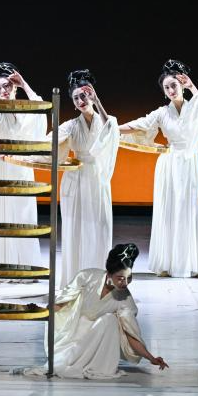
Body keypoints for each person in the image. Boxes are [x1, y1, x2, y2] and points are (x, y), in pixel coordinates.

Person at [119, 59, 198, 277]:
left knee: (188, 209)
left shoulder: (194, 106)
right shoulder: (162, 112)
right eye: (167, 87)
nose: (171, 90)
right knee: (170, 210)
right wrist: (111, 128)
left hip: (189, 161)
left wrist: (192, 86)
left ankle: (192, 265)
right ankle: (167, 264)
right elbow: (139, 124)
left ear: (182, 85)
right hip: (169, 162)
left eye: (174, 85)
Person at [28, 243, 169, 379]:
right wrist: (40, 311)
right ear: (109, 274)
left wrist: (151, 358)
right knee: (63, 363)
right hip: (74, 336)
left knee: (110, 320)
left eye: (129, 278)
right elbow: (61, 304)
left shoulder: (125, 300)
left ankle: (99, 366)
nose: (125, 283)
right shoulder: (87, 277)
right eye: (120, 278)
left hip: (97, 343)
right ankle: (70, 357)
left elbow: (130, 334)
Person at [55, 70, 119, 288]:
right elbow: (50, 140)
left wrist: (97, 101)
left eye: (84, 96)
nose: (81, 101)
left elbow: (111, 128)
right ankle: (75, 280)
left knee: (100, 228)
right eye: (76, 98)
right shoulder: (71, 126)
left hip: (97, 179)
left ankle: (98, 280)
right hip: (75, 179)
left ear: (91, 95)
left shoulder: (105, 121)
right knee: (75, 230)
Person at [0, 63, 47, 271]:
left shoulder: (25, 110)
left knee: (23, 214)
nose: (3, 90)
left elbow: (40, 107)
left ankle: (25, 265)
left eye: (7, 86)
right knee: (0, 214)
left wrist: (23, 83)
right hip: (1, 167)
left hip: (21, 167)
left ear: (14, 87)